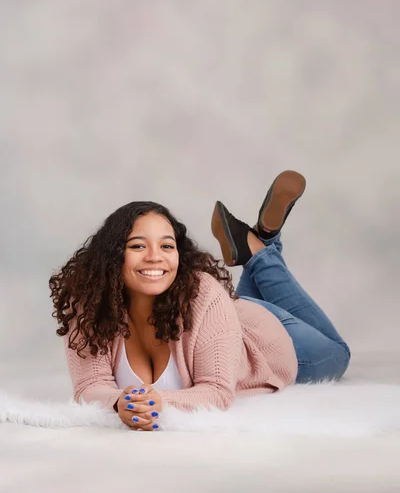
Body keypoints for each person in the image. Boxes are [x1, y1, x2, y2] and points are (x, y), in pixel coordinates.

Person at [50, 170, 350, 432]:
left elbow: (218, 392)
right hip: (223, 320)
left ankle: (261, 252)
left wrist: (159, 402)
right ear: (113, 255)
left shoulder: (202, 293)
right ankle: (263, 241)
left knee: (338, 354)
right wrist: (120, 403)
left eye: (166, 245)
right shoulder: (88, 301)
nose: (155, 256)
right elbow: (90, 387)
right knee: (230, 303)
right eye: (138, 245)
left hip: (264, 337)